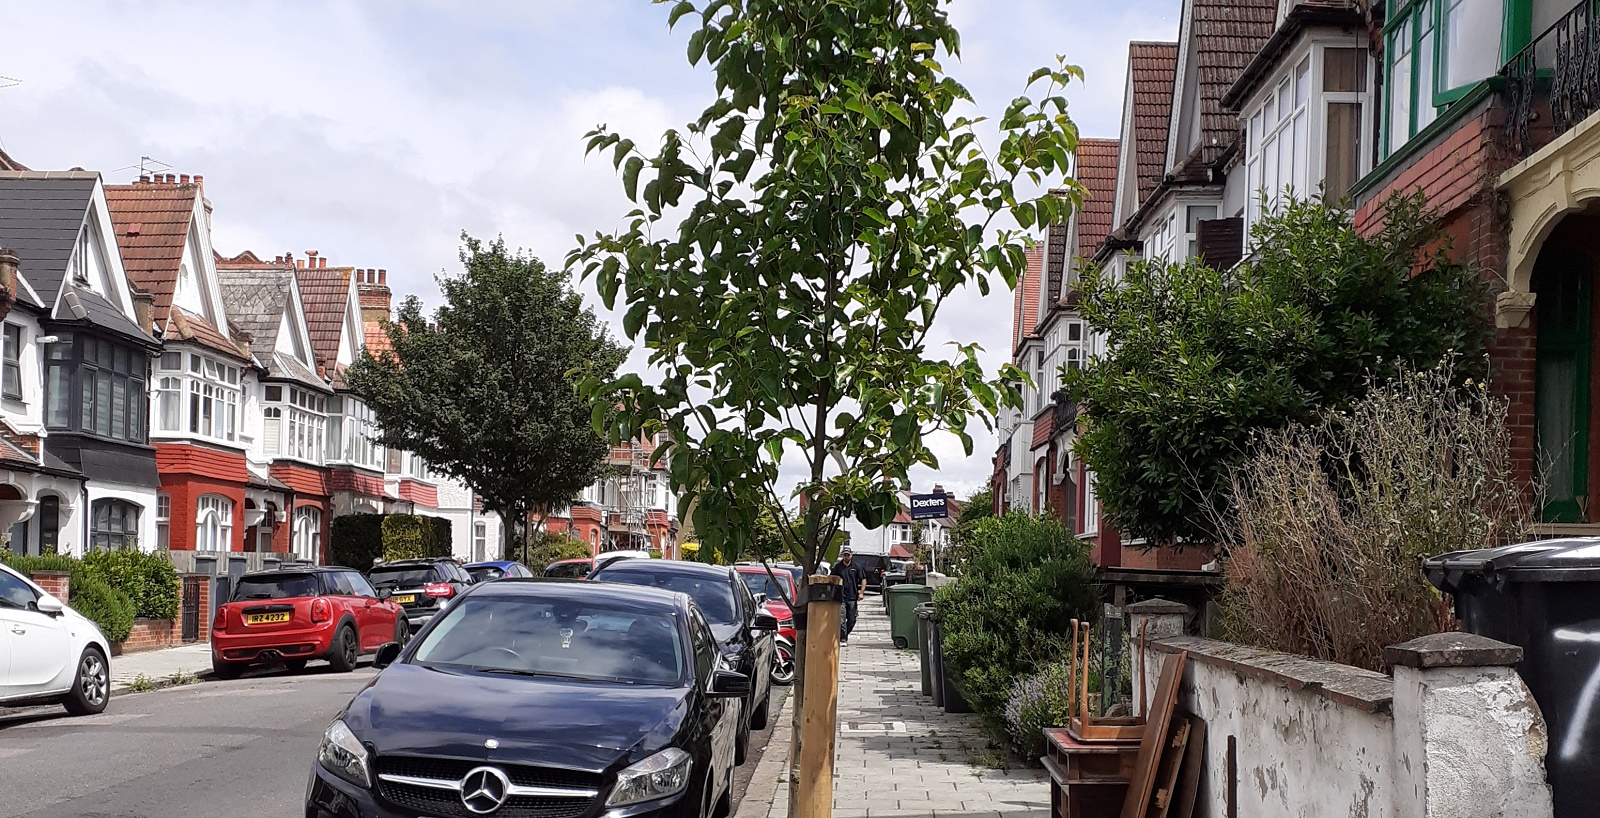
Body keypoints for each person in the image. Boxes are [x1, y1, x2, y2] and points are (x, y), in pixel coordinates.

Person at [835, 547, 866, 644]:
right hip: (841, 597)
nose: (846, 557)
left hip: (852, 597)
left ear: (851, 555)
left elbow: (863, 579)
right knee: (841, 619)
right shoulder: (838, 567)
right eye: (845, 555)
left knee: (852, 619)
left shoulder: (856, 566)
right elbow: (833, 579)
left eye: (848, 555)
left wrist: (861, 593)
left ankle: (845, 634)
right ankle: (843, 638)